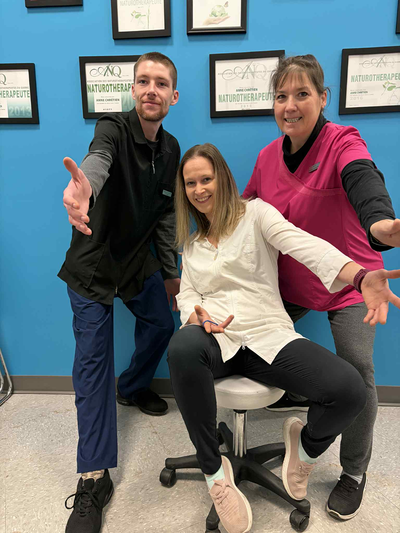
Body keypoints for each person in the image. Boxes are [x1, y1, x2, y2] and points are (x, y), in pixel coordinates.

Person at [167, 143, 400, 533]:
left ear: (223, 178)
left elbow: (304, 245)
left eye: (206, 179)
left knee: (350, 389)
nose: (199, 189)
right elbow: (188, 293)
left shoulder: (256, 214)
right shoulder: (191, 246)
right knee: (182, 347)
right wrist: (195, 314)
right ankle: (215, 475)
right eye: (190, 183)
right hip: (216, 340)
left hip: (266, 335)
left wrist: (359, 276)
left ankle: (305, 449)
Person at [242, 54, 400, 521]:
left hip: (352, 280)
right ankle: (298, 392)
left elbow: (363, 180)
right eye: (281, 96)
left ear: (323, 98)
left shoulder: (342, 141)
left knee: (357, 370)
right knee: (245, 339)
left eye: (302, 94)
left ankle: (353, 471)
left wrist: (381, 224)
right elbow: (246, 208)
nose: (290, 105)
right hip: (293, 278)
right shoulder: (267, 157)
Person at [59, 52, 180, 533]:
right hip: (93, 259)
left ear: (173, 97)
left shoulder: (171, 149)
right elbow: (98, 159)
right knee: (93, 363)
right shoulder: (112, 127)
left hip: (136, 260)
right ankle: (93, 478)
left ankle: (130, 388)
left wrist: (170, 273)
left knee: (162, 324)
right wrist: (84, 186)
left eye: (161, 83)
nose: (151, 89)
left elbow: (166, 218)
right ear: (133, 90)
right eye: (143, 81)